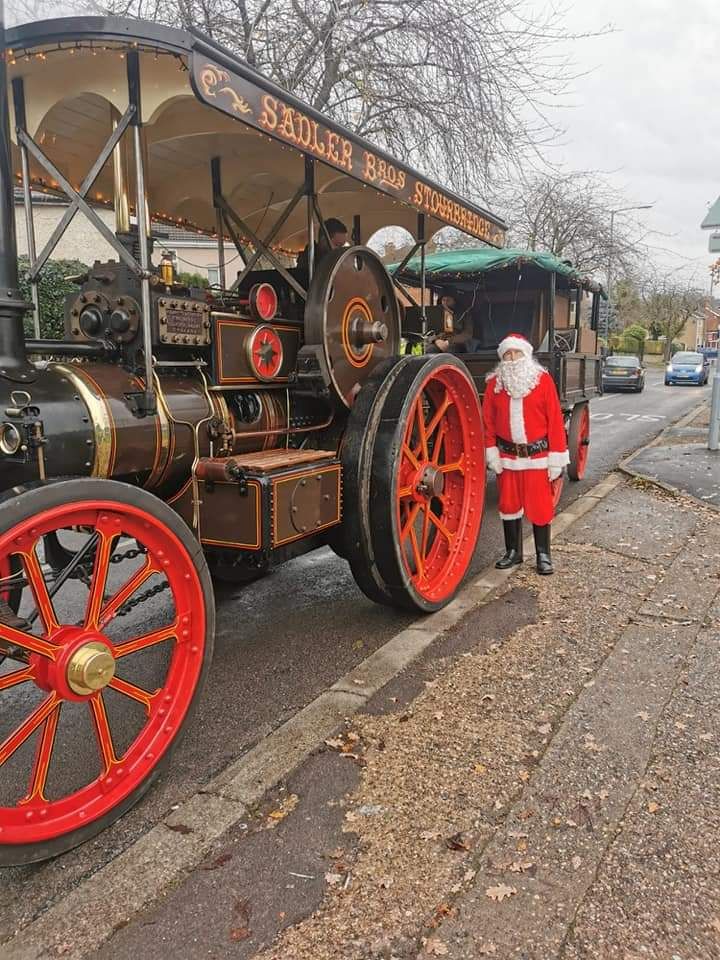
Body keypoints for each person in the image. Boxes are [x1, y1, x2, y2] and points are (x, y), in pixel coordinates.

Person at [482, 333, 569, 575]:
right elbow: (487, 421)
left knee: (540, 506)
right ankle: (513, 552)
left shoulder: (542, 381)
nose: (512, 358)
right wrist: (492, 453)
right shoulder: (494, 385)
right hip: (507, 457)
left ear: (526, 354)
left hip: (537, 457)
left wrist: (556, 458)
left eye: (516, 353)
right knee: (508, 505)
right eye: (507, 354)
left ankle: (543, 554)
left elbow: (554, 420)